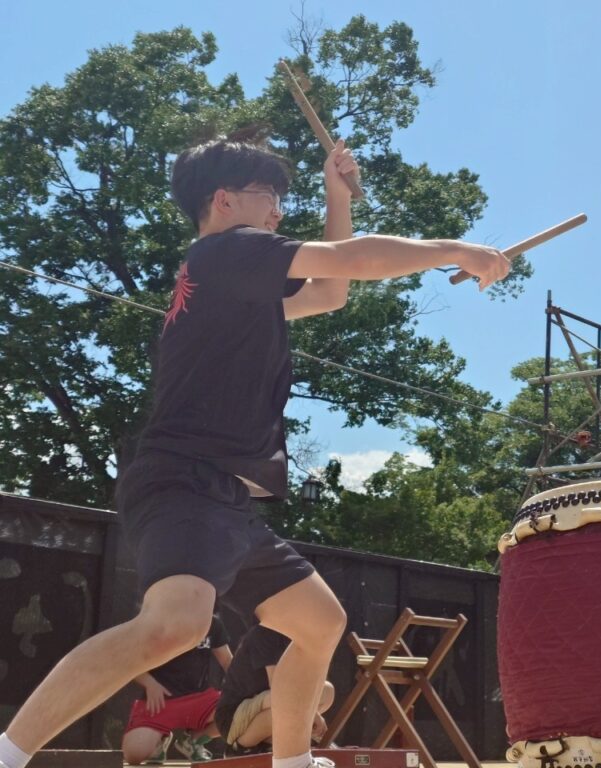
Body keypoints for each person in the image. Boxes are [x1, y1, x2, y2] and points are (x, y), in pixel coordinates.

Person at [0, 135, 509, 768]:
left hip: (224, 496)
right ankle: (8, 754)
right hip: (185, 480)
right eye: (268, 195)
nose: (277, 211)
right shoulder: (225, 252)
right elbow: (350, 260)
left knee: (319, 623)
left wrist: (337, 197)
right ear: (224, 200)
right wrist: (454, 248)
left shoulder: (230, 281)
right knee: (174, 627)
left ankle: (292, 762)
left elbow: (331, 289)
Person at [122, 614, 232, 764]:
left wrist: (243, 689)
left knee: (238, 710)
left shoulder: (212, 622)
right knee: (134, 754)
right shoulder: (157, 618)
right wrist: (150, 683)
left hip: (200, 699)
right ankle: (159, 742)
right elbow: (130, 659)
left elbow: (227, 661)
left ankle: (193, 740)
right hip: (160, 701)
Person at [214, 624, 334, 756]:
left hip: (268, 704)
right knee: (285, 704)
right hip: (233, 717)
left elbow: (307, 685)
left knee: (326, 691)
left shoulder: (299, 638)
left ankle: (271, 742)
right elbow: (277, 687)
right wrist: (312, 714)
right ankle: (241, 748)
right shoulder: (265, 632)